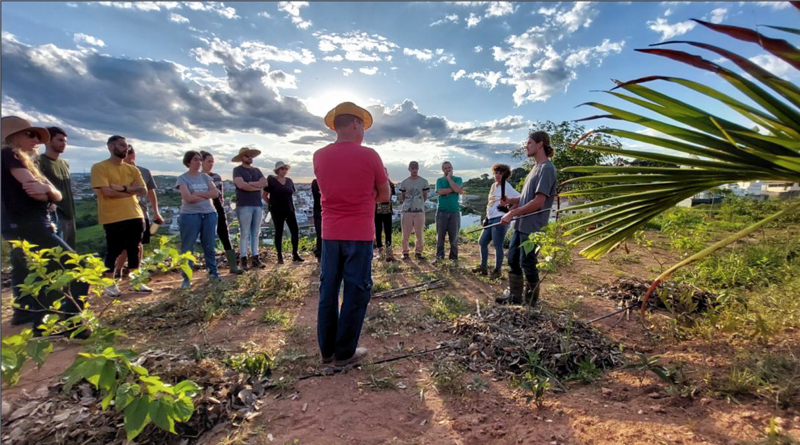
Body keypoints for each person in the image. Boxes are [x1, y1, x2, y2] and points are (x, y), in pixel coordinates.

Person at [314, 101, 390, 367]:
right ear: (356, 123)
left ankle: (327, 351)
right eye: (363, 126)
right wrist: (366, 196)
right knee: (356, 291)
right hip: (359, 232)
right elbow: (385, 195)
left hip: (330, 233)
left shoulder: (319, 155)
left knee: (328, 290)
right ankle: (345, 353)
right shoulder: (369, 156)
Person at [2, 116, 88, 337]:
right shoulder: (9, 155)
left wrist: (47, 192)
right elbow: (38, 191)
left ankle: (33, 320)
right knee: (78, 269)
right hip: (28, 224)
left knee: (36, 273)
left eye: (37, 136)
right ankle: (71, 325)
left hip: (23, 224)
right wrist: (47, 193)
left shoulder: (27, 160)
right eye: (30, 134)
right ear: (11, 136)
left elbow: (54, 194)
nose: (36, 141)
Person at [496, 131, 557, 306]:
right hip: (521, 225)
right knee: (513, 259)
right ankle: (515, 297)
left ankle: (530, 304)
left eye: (529, 142)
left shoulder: (547, 169)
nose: (526, 146)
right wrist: (512, 201)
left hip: (533, 227)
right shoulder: (535, 168)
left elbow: (539, 202)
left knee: (528, 263)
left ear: (540, 144)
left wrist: (513, 213)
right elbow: (527, 198)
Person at [90, 135, 148, 297]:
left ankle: (135, 282)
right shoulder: (100, 167)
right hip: (113, 216)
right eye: (122, 145)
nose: (126, 148)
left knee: (134, 249)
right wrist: (130, 190)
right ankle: (110, 284)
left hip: (135, 214)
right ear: (110, 147)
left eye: (127, 146)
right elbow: (107, 192)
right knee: (113, 250)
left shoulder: (132, 169)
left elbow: (142, 191)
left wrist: (121, 188)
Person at [113, 145, 164, 287]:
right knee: (123, 245)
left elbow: (150, 193)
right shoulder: (116, 170)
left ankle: (135, 272)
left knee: (138, 244)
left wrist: (156, 211)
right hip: (122, 213)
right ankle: (118, 270)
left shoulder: (144, 172)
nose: (125, 156)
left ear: (133, 156)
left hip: (141, 213)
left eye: (127, 153)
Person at [176, 151, 221, 288]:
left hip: (209, 214)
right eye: (195, 160)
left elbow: (216, 193)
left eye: (200, 160)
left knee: (209, 245)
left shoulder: (205, 177)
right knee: (188, 247)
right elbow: (188, 199)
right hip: (190, 215)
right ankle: (187, 278)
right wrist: (206, 195)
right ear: (188, 162)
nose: (198, 162)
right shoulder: (182, 179)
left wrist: (199, 194)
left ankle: (213, 274)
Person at [472, 164, 520, 279]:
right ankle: (483, 267)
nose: (498, 175)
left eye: (500, 173)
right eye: (496, 173)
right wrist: (487, 217)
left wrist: (509, 212)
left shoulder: (506, 187)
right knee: (482, 242)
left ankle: (497, 270)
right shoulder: (494, 186)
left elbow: (520, 198)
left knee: (497, 244)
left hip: (499, 218)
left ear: (505, 175)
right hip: (490, 218)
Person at [201, 151, 243, 274]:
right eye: (209, 161)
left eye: (212, 161)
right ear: (201, 162)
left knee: (224, 235)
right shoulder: (197, 177)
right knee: (206, 238)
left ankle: (233, 266)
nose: (211, 164)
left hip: (217, 206)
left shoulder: (216, 177)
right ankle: (211, 268)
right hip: (203, 208)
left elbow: (220, 194)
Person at [38, 126, 76, 249]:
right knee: (58, 255)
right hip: (56, 216)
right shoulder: (40, 162)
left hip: (70, 214)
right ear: (48, 141)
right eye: (60, 140)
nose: (64, 144)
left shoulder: (64, 163)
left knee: (71, 254)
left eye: (65, 141)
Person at [231, 147, 267, 270]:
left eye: (251, 156)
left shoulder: (257, 170)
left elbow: (265, 184)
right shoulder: (237, 170)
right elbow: (241, 185)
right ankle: (243, 259)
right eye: (247, 156)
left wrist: (249, 184)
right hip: (244, 204)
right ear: (242, 158)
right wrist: (257, 186)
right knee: (245, 233)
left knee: (255, 233)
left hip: (257, 204)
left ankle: (255, 258)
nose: (249, 157)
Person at [262, 161, 304, 264]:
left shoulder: (289, 181)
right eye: (282, 169)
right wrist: (271, 204)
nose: (284, 171)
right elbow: (264, 195)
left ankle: (295, 254)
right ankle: (279, 256)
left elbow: (291, 193)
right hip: (277, 210)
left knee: (295, 230)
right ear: (277, 170)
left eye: (285, 169)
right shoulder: (271, 180)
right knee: (279, 232)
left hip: (289, 208)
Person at [398, 161, 429, 260]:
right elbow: (403, 196)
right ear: (409, 169)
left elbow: (425, 196)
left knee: (419, 233)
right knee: (405, 233)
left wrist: (419, 204)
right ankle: (405, 252)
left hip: (419, 211)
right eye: (412, 168)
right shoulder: (405, 182)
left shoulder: (423, 182)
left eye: (415, 168)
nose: (414, 170)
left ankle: (418, 252)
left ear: (418, 169)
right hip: (407, 211)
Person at [435, 161, 463, 263]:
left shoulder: (458, 179)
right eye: (445, 168)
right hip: (441, 211)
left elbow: (457, 189)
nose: (448, 170)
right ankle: (439, 257)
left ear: (452, 168)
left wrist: (449, 179)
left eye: (449, 168)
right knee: (440, 237)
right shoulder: (439, 180)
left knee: (454, 237)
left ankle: (453, 259)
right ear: (443, 170)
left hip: (454, 212)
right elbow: (440, 191)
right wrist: (454, 189)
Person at [374, 167, 396, 261]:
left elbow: (393, 197)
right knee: (378, 230)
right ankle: (380, 250)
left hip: (387, 211)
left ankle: (389, 252)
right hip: (377, 211)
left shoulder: (390, 184)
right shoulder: (375, 184)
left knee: (388, 231)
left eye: (385, 172)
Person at [311, 178, 322, 260]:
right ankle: (319, 253)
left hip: (328, 211)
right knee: (320, 233)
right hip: (318, 211)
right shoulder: (315, 182)